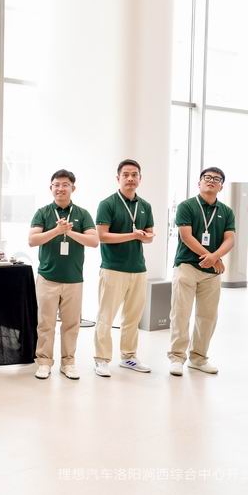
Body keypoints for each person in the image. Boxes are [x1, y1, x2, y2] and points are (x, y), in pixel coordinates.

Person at [29, 169, 98, 381]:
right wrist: (56, 231)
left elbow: (94, 241)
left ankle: (68, 363)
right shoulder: (43, 212)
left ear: (73, 188)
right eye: (56, 185)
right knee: (46, 324)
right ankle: (44, 362)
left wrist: (69, 232)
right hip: (47, 278)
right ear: (51, 188)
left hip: (73, 279)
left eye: (65, 184)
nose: (60, 188)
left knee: (71, 324)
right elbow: (32, 240)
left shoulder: (82, 214)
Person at [168, 167, 235, 376]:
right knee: (180, 314)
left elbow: (230, 239)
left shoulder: (226, 211)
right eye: (207, 177)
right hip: (187, 266)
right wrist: (212, 257)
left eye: (217, 179)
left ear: (221, 186)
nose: (211, 181)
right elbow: (186, 236)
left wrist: (215, 258)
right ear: (199, 183)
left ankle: (198, 358)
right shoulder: (187, 206)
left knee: (207, 316)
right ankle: (177, 358)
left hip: (211, 273)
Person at [93, 159, 155, 377]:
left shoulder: (145, 206)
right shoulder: (107, 204)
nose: (130, 178)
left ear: (140, 178)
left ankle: (128, 356)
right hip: (113, 268)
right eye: (126, 174)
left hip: (138, 269)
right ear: (117, 178)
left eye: (134, 174)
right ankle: (101, 359)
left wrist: (145, 236)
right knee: (106, 317)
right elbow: (102, 236)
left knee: (132, 317)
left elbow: (149, 237)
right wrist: (133, 235)